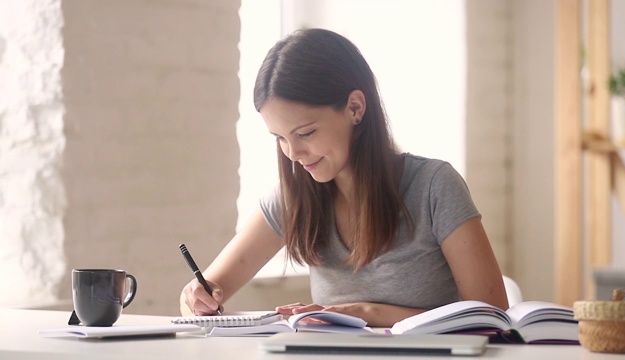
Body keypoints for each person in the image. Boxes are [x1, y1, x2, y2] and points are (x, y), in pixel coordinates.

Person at [180, 28, 508, 327]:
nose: (292, 153)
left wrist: (366, 313)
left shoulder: (434, 186)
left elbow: (493, 318)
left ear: (355, 108)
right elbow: (202, 295)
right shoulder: (293, 197)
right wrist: (198, 298)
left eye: (305, 133)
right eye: (279, 137)